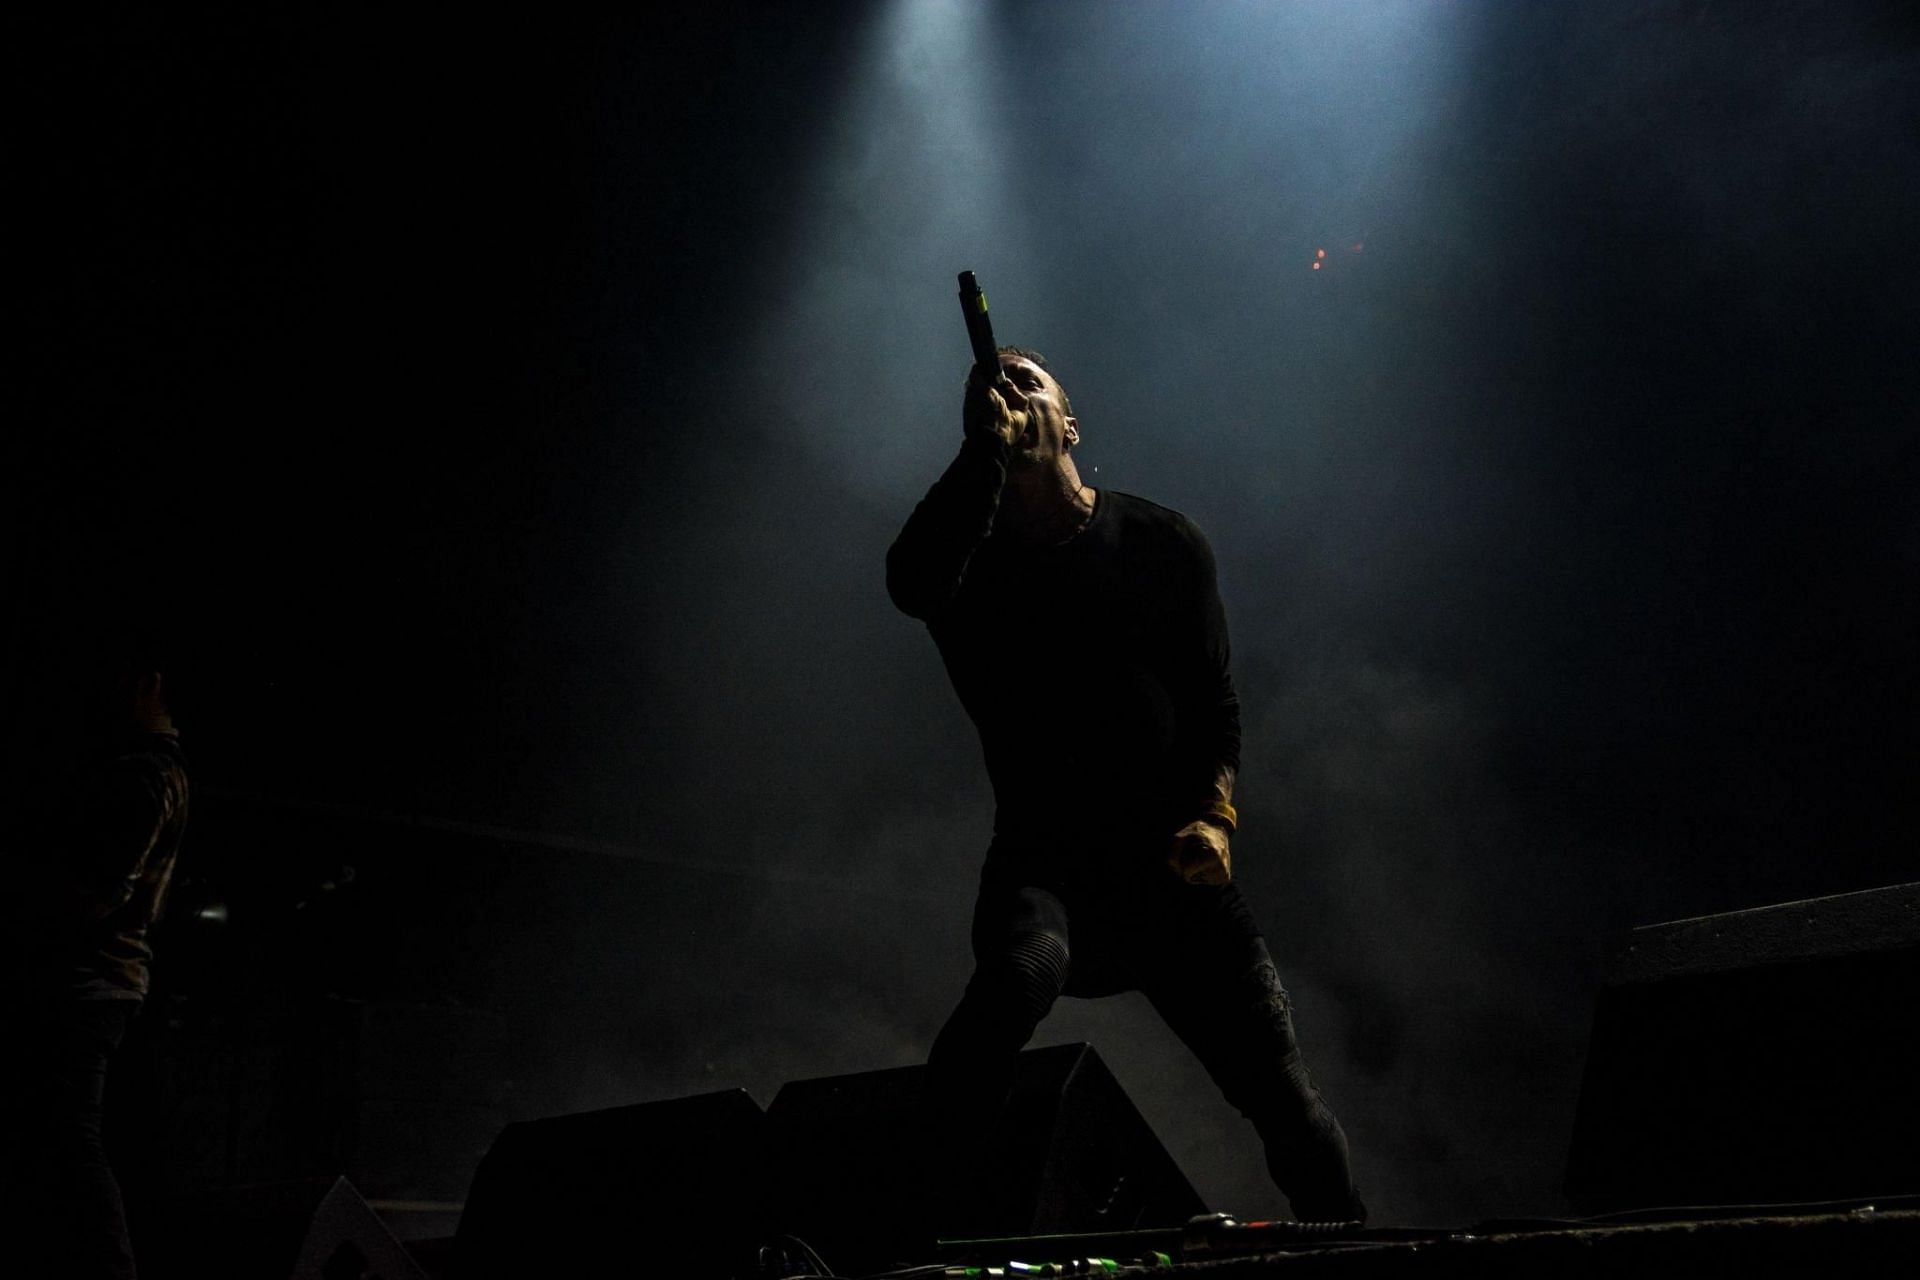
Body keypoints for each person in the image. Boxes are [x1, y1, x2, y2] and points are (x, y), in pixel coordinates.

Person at [887, 347, 1363, 1226]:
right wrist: (979, 454)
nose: (1007, 394)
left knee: (1284, 1101)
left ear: (1070, 424)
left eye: (1027, 383)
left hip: (1168, 872)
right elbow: (908, 583)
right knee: (1020, 975)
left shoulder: (1161, 544)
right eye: (988, 392)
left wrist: (1215, 816)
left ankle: (1353, 1246)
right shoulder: (965, 561)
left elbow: (1214, 704)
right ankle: (907, 1227)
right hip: (1044, 862)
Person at [3, 628, 190, 1279]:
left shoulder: (145, 778)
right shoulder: (146, 774)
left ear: (150, 682)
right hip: (95, 983)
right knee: (64, 1144)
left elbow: (95, 893)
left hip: (87, 985)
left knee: (70, 1145)